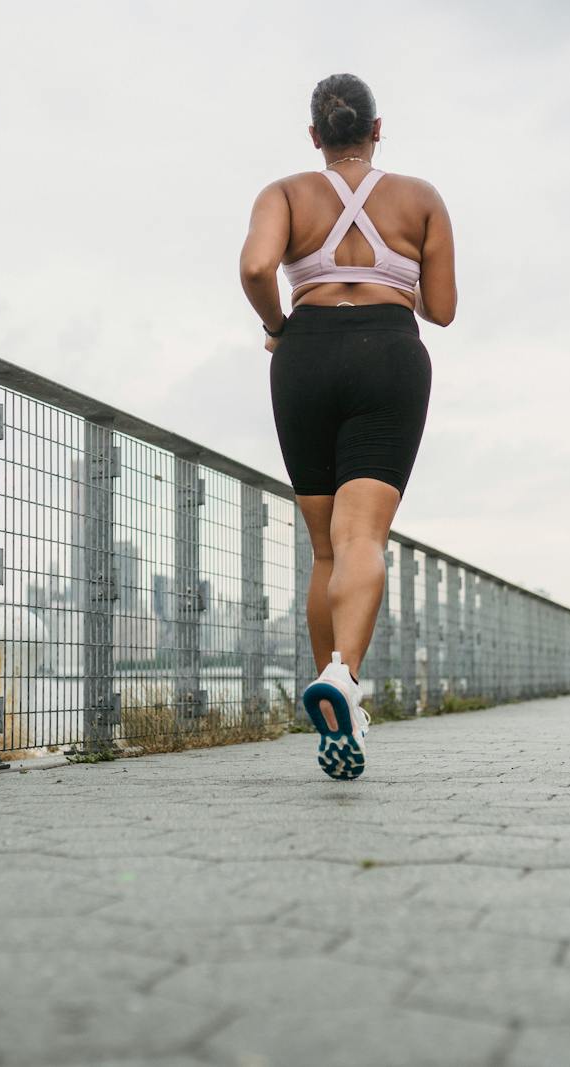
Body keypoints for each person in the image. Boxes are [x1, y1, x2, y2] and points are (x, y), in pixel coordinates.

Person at [238, 72, 457, 780]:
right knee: (363, 536)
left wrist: (278, 325)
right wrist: (393, 271)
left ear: (315, 136)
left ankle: (335, 705)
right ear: (377, 127)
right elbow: (443, 309)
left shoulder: (284, 193)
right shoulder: (421, 199)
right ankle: (344, 679)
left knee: (324, 549)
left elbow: (255, 265)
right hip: (389, 353)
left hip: (303, 357)